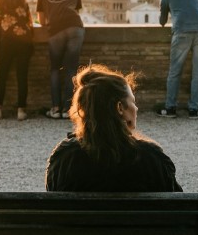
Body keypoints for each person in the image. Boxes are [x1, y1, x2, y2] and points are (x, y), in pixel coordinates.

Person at [45, 64, 182, 192]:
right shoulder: (152, 158)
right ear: (120, 108)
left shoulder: (64, 158)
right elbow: (178, 208)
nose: (136, 108)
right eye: (133, 101)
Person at [158, 0, 198, 119]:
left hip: (182, 33)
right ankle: (194, 110)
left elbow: (162, 21)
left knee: (175, 71)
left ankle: (170, 108)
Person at [36, 0, 85, 119]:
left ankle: (56, 109)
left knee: (55, 69)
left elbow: (42, 21)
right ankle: (68, 110)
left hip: (56, 30)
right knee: (71, 70)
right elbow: (75, 13)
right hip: (76, 29)